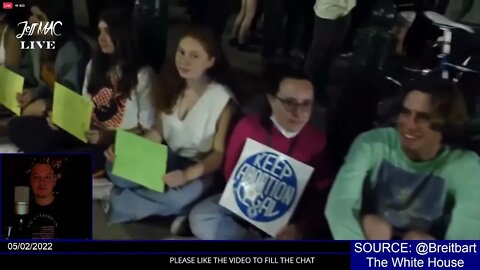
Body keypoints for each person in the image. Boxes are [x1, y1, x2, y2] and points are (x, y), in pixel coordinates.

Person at [103, 26, 237, 234]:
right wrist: (128, 151)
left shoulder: (222, 99)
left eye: (194, 56)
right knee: (116, 168)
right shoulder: (172, 85)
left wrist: (186, 175)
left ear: (210, 61)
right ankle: (165, 205)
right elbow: (158, 133)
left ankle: (118, 200)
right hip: (170, 156)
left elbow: (218, 155)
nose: (184, 60)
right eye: (181, 52)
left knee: (175, 199)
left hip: (199, 168)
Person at [325, 77, 480, 240]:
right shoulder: (372, 143)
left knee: (418, 239)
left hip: (423, 256)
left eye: (422, 117)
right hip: (371, 246)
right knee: (375, 226)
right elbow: (340, 206)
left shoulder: (465, 165)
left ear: (445, 123)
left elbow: (467, 235)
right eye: (405, 112)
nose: (409, 124)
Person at [189, 69, 332, 240]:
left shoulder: (318, 142)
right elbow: (230, 171)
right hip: (243, 203)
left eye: (306, 104)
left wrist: (301, 227)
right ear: (272, 100)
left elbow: (321, 195)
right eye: (289, 102)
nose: (298, 113)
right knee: (201, 216)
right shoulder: (248, 126)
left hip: (286, 220)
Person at [8, 8, 155, 173]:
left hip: (114, 143)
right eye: (100, 31)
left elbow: (146, 130)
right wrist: (64, 120)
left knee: (68, 160)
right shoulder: (95, 65)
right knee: (17, 127)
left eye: (108, 32)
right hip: (87, 133)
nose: (101, 38)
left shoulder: (142, 74)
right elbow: (85, 111)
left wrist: (108, 136)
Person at [12, 0, 89, 117]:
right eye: (32, 15)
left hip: (67, 114)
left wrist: (45, 103)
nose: (31, 21)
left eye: (39, 18)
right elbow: (30, 75)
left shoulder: (73, 50)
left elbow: (69, 95)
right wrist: (33, 93)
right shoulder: (35, 43)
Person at [304, 0, 356, 105]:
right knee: (319, 53)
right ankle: (310, 87)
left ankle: (321, 82)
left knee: (331, 52)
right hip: (328, 11)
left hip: (345, 9)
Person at [26, 161, 86, 239]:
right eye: (36, 177)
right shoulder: (20, 211)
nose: (42, 182)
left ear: (54, 181)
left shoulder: (71, 211)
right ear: (31, 180)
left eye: (47, 177)